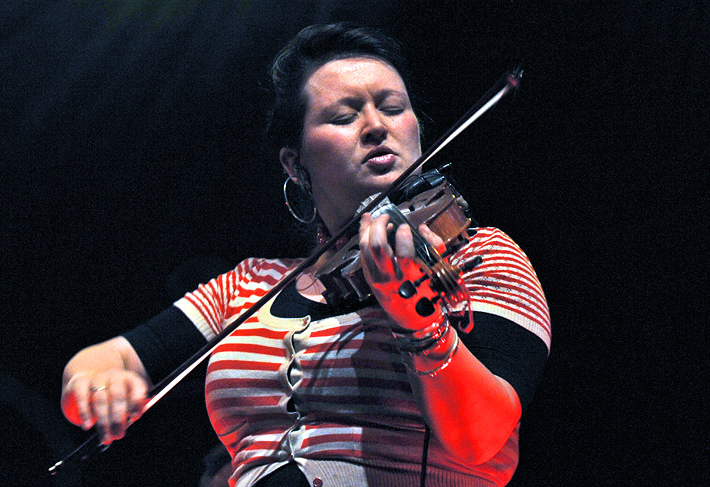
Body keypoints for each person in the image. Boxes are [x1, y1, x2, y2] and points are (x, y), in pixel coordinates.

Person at [60, 23, 550, 487]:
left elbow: (482, 439)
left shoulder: (475, 255)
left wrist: (418, 323)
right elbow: (108, 359)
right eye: (344, 116)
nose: (376, 126)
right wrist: (95, 386)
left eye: (393, 108)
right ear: (295, 164)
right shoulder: (250, 284)